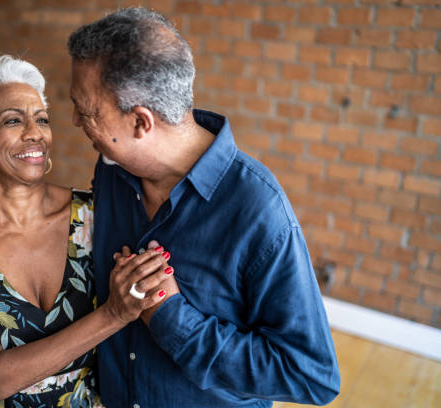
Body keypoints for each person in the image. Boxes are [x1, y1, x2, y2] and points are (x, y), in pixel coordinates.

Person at [67, 8, 341, 408]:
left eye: (88, 112)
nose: (75, 120)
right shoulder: (112, 169)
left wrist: (170, 316)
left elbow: (310, 376)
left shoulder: (259, 211)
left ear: (141, 123)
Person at [0, 55, 177, 408]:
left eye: (42, 119)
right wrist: (113, 314)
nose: (35, 133)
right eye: (13, 120)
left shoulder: (92, 213)